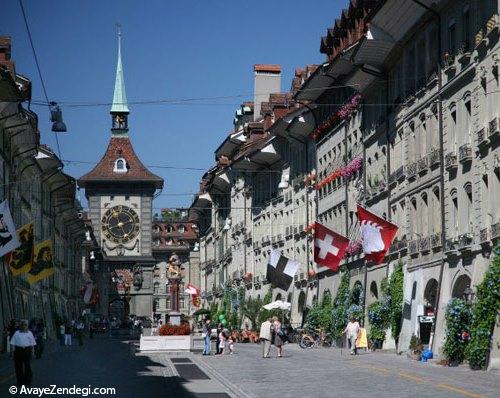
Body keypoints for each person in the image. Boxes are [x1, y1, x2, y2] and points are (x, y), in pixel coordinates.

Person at [10, 320, 36, 386]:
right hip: (18, 350)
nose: (24, 326)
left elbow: (32, 343)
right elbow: (13, 343)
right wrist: (12, 352)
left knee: (27, 366)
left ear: (27, 326)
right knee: (18, 366)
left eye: (25, 325)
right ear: (20, 326)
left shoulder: (29, 333)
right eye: (23, 324)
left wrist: (33, 352)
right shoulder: (17, 333)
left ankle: (28, 381)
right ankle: (20, 381)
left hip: (27, 350)